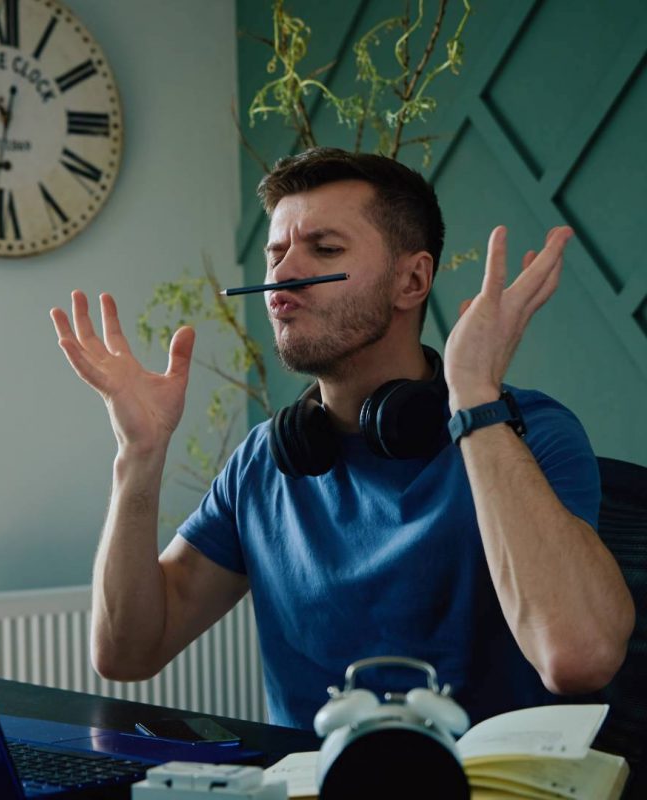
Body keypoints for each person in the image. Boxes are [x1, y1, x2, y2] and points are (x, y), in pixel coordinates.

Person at [50, 148, 634, 730]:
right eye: (276, 253)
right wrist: (139, 453)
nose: (283, 273)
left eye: (324, 250)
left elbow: (578, 660)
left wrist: (477, 399)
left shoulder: (529, 432)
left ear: (412, 280)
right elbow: (127, 653)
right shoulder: (262, 464)